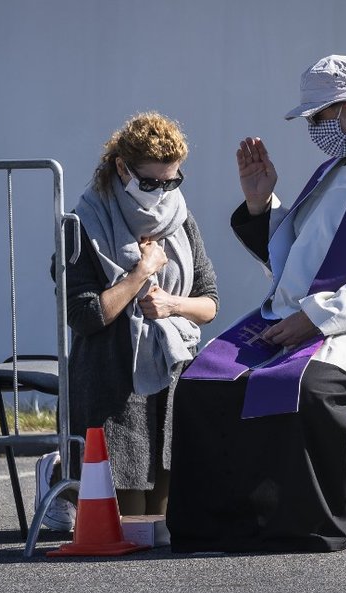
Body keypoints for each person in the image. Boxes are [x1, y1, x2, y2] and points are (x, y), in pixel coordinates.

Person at [166, 55, 346, 552]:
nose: (313, 129)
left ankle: (329, 521)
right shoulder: (332, 171)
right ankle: (226, 523)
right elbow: (298, 256)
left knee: (306, 386)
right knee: (200, 384)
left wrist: (318, 319)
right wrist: (261, 204)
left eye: (319, 118)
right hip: (301, 315)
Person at [36, 112, 219, 531]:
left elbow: (209, 302)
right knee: (128, 526)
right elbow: (83, 316)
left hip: (170, 375)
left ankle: (62, 471)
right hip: (110, 379)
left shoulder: (181, 219)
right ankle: (59, 473)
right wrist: (140, 272)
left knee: (166, 529)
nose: (161, 192)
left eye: (171, 181)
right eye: (150, 183)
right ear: (122, 169)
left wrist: (171, 304)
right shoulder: (83, 224)